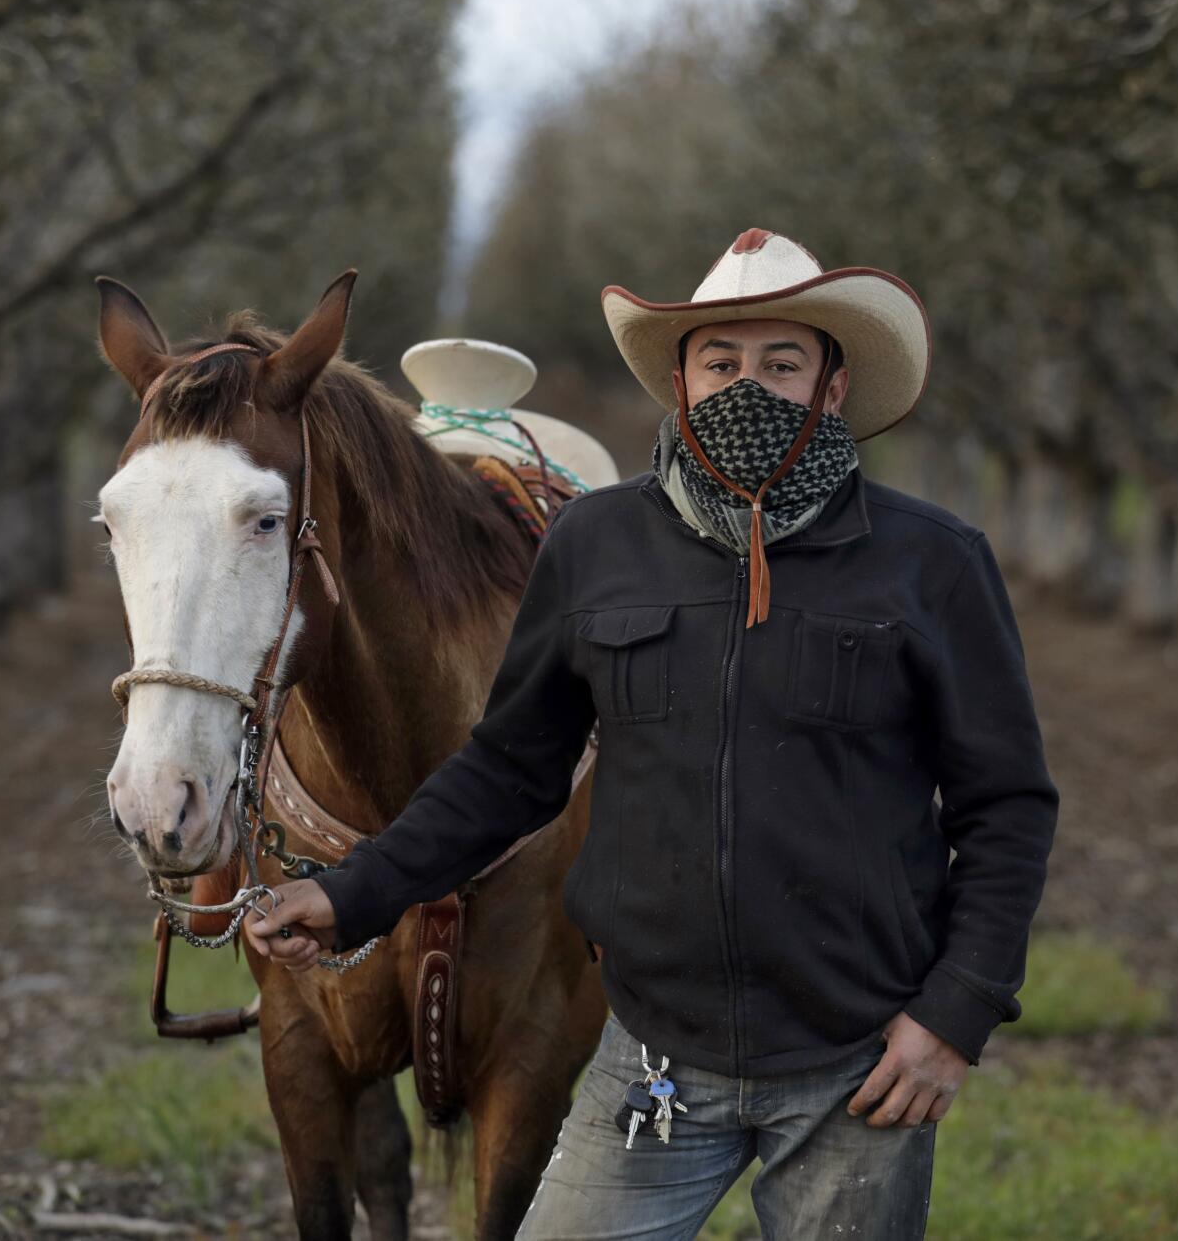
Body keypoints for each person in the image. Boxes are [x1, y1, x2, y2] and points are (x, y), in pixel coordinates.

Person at [247, 228, 1060, 1239]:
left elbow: (1005, 807)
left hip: (859, 1068)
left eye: (781, 363)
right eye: (720, 362)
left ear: (833, 387)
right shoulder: (598, 544)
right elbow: (509, 768)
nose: (745, 387)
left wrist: (954, 1015)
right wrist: (350, 890)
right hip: (652, 1060)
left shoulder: (930, 563)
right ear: (679, 381)